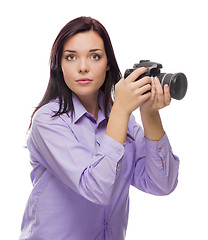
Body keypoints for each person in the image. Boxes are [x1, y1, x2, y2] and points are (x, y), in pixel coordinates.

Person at [19, 16, 179, 240]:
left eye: (94, 56)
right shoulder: (48, 121)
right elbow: (96, 188)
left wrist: (149, 114)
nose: (83, 67)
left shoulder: (123, 120)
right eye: (71, 57)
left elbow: (162, 184)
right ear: (59, 66)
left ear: (108, 65)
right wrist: (122, 110)